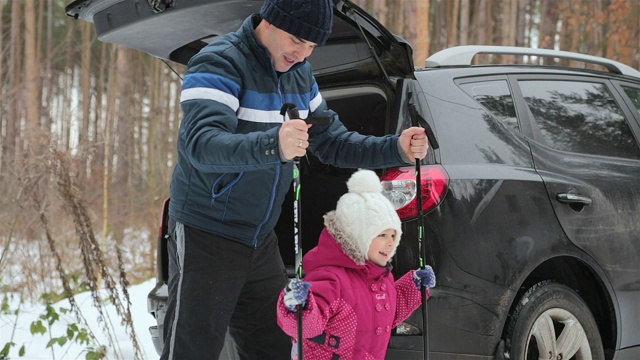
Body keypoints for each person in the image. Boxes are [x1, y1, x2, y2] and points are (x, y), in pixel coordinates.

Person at [161, 0, 429, 358]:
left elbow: (332, 142)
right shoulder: (219, 62)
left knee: (274, 346)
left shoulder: (300, 75)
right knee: (192, 350)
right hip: (206, 233)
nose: (302, 53)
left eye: (311, 46)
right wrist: (275, 144)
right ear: (270, 22)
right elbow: (201, 144)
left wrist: (395, 148)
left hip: (259, 239)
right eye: (295, 40)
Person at [277, 169, 436, 359]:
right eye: (382, 235)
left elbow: (387, 314)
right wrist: (298, 305)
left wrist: (414, 286)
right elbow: (305, 328)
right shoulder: (331, 278)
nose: (390, 242)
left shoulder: (382, 279)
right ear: (359, 236)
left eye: (394, 235)